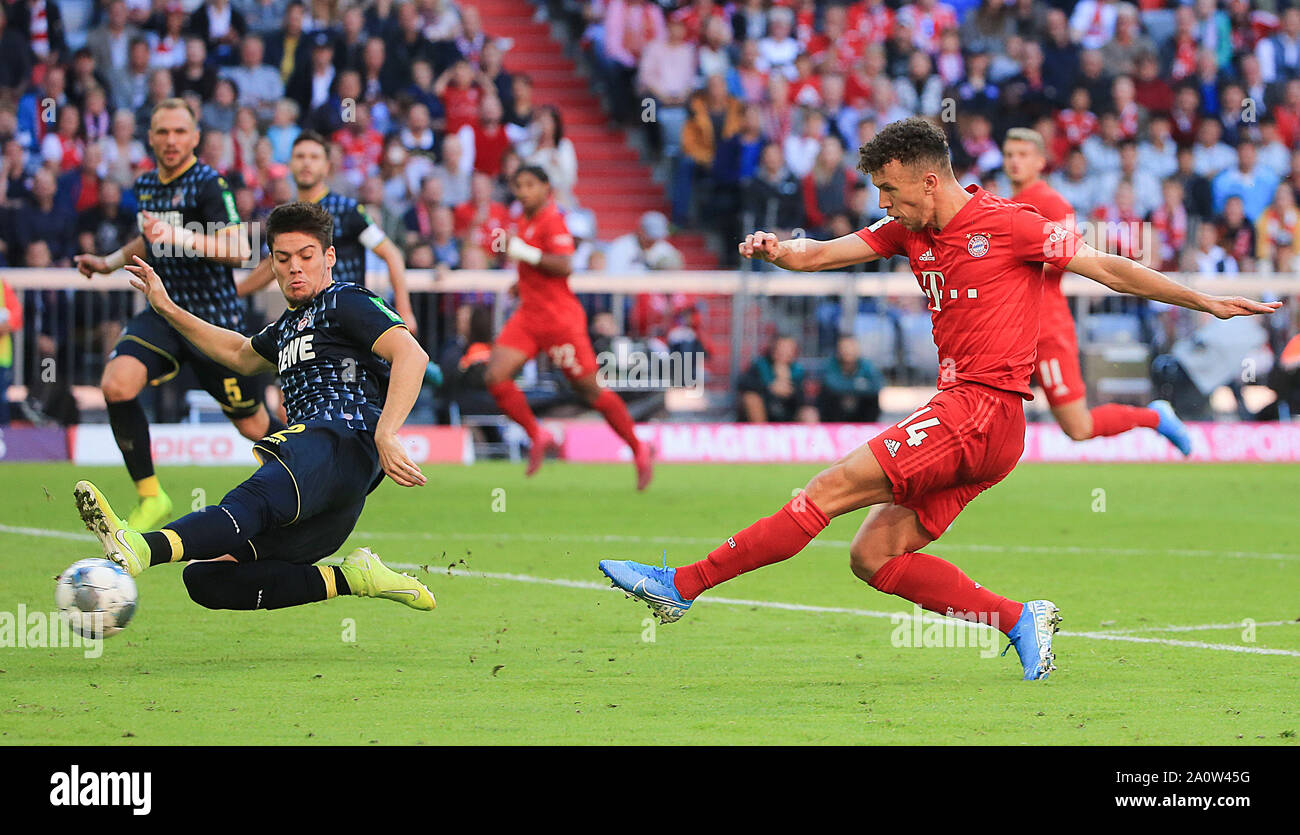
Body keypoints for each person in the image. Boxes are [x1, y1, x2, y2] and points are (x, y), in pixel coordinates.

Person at [600, 118, 1279, 681]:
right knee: (872, 558)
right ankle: (1017, 618)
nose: (885, 205)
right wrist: (780, 251)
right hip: (978, 424)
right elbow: (821, 254)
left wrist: (1203, 300)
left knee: (829, 488)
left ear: (929, 177)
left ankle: (681, 585)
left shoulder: (1009, 224)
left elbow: (1105, 266)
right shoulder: (909, 230)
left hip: (981, 410)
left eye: (891, 190)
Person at [73, 201, 436, 613]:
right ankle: (353, 578)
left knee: (252, 502)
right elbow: (240, 353)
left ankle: (140, 546)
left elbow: (412, 355)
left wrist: (386, 433)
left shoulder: (344, 301)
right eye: (283, 259)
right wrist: (169, 309)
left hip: (339, 439)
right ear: (272, 265)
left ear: (329, 257)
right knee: (207, 580)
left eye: (306, 256)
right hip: (327, 485)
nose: (295, 267)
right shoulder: (288, 325)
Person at [73, 98, 281, 532]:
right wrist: (107, 262)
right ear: (149, 137)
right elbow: (148, 241)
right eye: (163, 132)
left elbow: (238, 248)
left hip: (212, 322)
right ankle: (152, 497)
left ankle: (308, 478)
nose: (171, 140)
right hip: (163, 312)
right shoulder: (147, 184)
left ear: (195, 138)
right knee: (116, 384)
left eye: (179, 132)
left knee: (253, 425)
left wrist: (180, 235)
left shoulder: (209, 183)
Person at [1003, 127, 1187, 450]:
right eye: (1009, 155)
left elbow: (1064, 257)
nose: (1014, 162)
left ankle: (1154, 417)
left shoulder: (1052, 203)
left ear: (1040, 162)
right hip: (1009, 331)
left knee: (1078, 426)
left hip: (1046, 329)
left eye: (1023, 155)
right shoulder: (1004, 204)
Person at [485, 165, 655, 489]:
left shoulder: (552, 219)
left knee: (589, 391)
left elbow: (563, 265)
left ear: (546, 188)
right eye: (518, 185)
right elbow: (539, 266)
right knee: (495, 375)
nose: (522, 192)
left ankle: (637, 447)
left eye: (529, 185)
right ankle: (538, 434)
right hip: (528, 316)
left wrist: (520, 251)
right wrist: (521, 286)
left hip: (559, 321)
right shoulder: (524, 220)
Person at [235, 131, 416, 331]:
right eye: (300, 156)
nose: (306, 163)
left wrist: (404, 309)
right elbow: (270, 267)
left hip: (347, 320)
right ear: (289, 165)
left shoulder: (347, 210)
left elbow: (391, 253)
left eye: (314, 157)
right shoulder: (285, 217)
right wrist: (235, 292)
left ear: (327, 166)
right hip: (304, 323)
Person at [817, 334, 883, 422]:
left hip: (861, 410)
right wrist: (859, 385)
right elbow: (832, 385)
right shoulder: (830, 365)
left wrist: (849, 388)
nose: (847, 351)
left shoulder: (867, 365)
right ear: (838, 350)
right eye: (844, 348)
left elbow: (876, 386)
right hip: (835, 413)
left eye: (851, 347)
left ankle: (868, 428)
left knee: (872, 399)